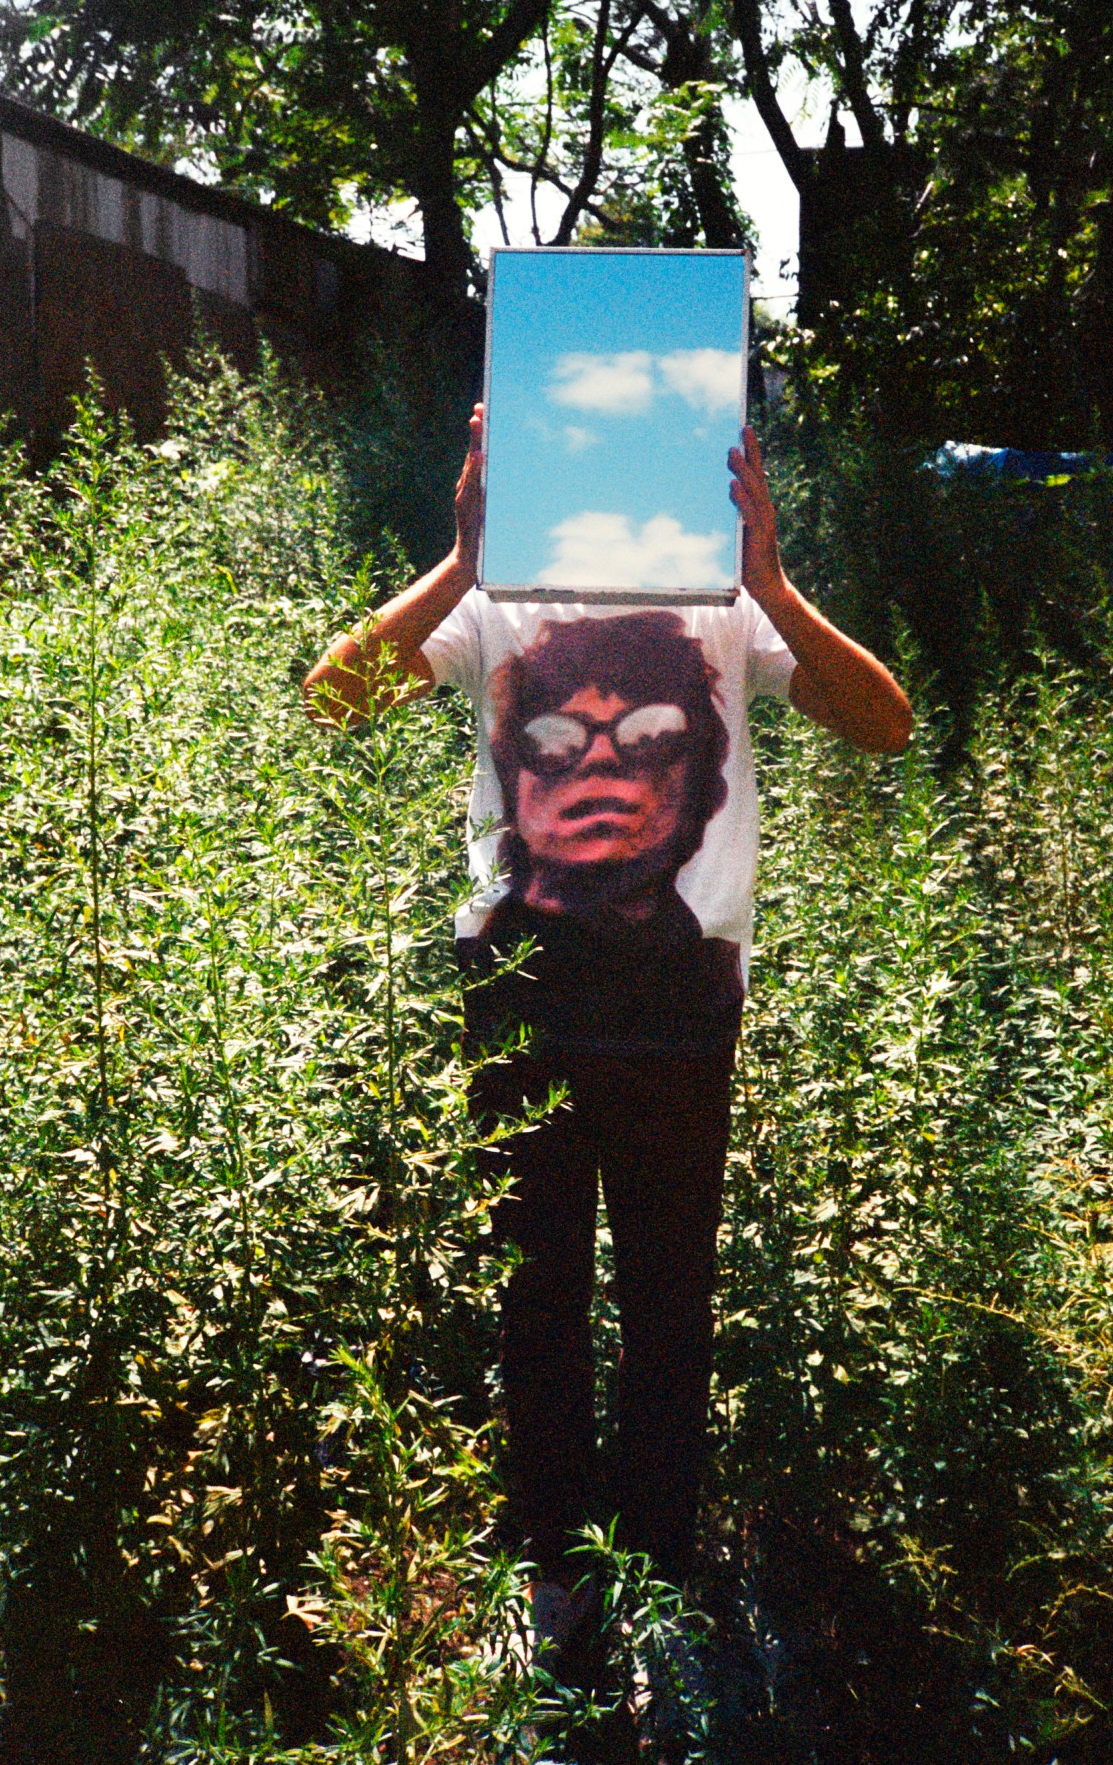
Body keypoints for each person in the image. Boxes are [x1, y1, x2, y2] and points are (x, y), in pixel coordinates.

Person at [303, 403, 911, 1637]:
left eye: (646, 745)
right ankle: (561, 1576)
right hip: (520, 994)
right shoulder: (504, 593)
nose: (598, 778)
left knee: (667, 1294)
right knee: (538, 1290)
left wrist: (776, 586)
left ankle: (659, 1580)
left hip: (678, 1010)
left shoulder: (726, 602)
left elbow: (884, 722)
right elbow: (333, 698)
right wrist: (463, 561)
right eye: (557, 744)